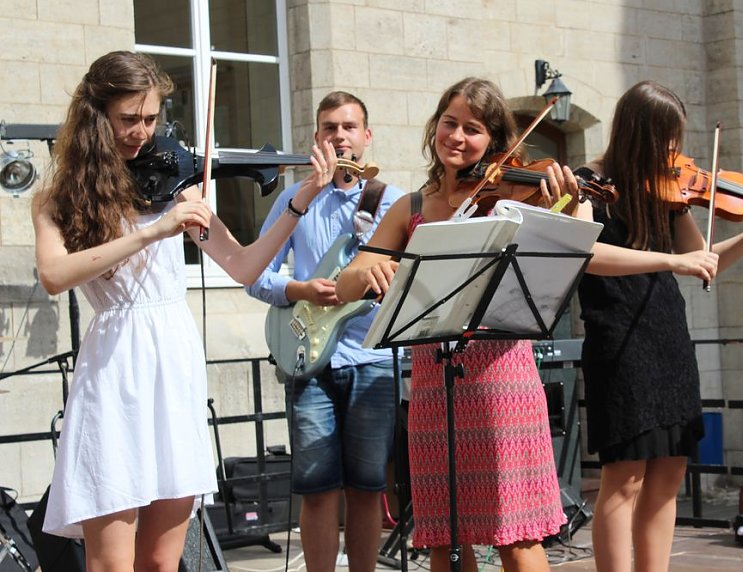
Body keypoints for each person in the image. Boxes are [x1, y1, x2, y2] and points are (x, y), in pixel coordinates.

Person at [32, 50, 331, 571]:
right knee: (110, 564)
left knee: (161, 562)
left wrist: (299, 201)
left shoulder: (176, 186)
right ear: (96, 116)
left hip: (173, 364)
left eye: (151, 118)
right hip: (114, 370)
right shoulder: (58, 199)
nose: (142, 133)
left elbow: (243, 266)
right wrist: (154, 231)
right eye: (128, 119)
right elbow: (55, 275)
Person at [336, 77, 574, 572]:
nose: (457, 137)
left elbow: (568, 237)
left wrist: (568, 200)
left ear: (494, 141)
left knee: (517, 534)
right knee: (444, 535)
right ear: (435, 126)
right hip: (434, 383)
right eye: (450, 123)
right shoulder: (411, 207)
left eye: (473, 129)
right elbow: (346, 285)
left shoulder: (512, 200)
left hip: (500, 378)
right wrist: (370, 272)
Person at [573, 80, 743, 572]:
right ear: (640, 133)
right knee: (625, 479)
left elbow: (703, 260)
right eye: (666, 138)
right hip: (619, 342)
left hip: (668, 339)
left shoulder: (668, 192)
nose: (674, 151)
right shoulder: (587, 183)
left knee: (667, 478)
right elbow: (587, 254)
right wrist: (669, 261)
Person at [245, 91, 404, 572]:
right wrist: (299, 289)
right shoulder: (296, 198)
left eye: (349, 127)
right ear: (317, 138)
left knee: (367, 488)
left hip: (372, 359)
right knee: (316, 490)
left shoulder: (393, 202)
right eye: (330, 128)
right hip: (307, 356)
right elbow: (254, 274)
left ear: (366, 136)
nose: (340, 136)